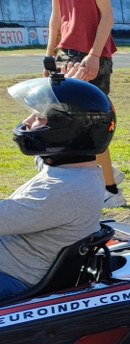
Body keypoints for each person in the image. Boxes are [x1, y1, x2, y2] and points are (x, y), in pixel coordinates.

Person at [1, 75, 114, 303]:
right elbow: (43, 161)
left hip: (14, 277)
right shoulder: (76, 171)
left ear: (64, 130)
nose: (27, 122)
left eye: (39, 117)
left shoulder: (60, 191)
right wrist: (68, 90)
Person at [46, 0, 122, 209]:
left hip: (90, 55)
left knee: (90, 124)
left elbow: (107, 16)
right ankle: (107, 173)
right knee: (63, 122)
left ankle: (111, 189)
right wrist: (49, 55)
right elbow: (56, 17)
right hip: (66, 53)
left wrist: (94, 55)